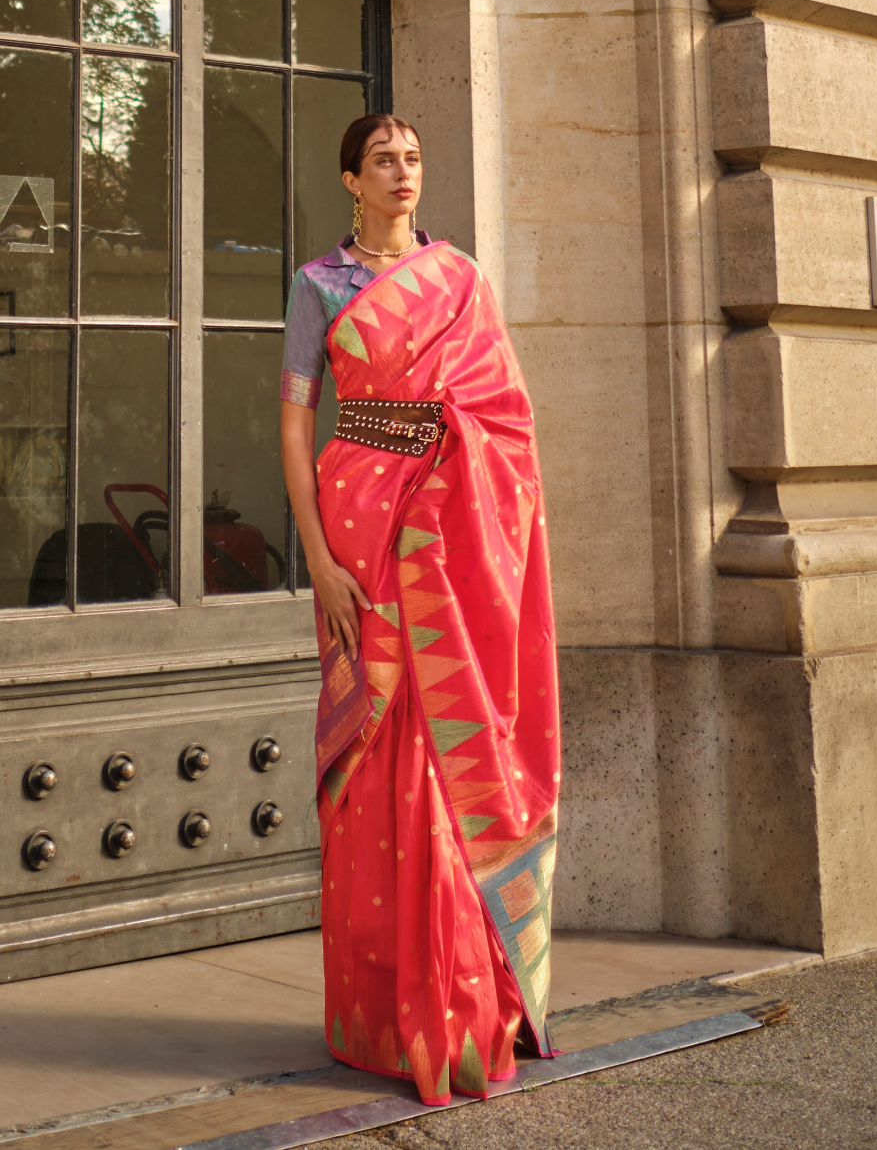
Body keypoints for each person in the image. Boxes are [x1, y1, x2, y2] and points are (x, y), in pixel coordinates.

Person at [280, 114, 560, 1105]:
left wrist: (458, 474)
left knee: (446, 754)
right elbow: (294, 422)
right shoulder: (320, 285)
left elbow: (506, 416)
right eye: (383, 161)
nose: (403, 173)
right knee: (376, 752)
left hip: (449, 529)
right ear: (349, 179)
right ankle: (381, 1009)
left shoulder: (462, 281)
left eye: (412, 159)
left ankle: (461, 1005)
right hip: (358, 524)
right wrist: (318, 559)